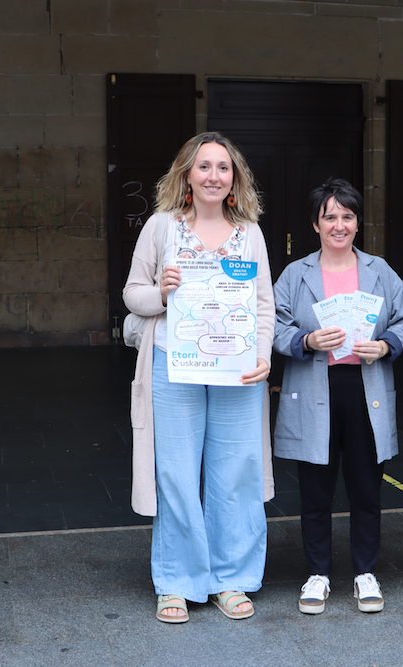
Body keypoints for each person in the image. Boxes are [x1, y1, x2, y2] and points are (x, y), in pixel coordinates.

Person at [122, 131, 273, 624]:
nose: (214, 175)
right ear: (187, 175)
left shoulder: (249, 232)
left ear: (235, 178)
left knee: (236, 473)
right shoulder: (161, 227)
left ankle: (231, 579)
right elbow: (132, 293)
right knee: (177, 474)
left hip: (238, 369)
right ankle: (177, 581)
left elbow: (264, 305)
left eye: (223, 167)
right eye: (204, 166)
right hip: (175, 364)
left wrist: (263, 356)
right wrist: (162, 294)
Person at [273, 178, 403, 615]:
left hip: (365, 388)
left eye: (347, 216)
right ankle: (317, 573)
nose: (339, 225)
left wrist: (386, 345)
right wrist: (306, 340)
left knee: (366, 487)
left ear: (357, 222)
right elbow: (272, 324)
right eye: (330, 216)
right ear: (315, 224)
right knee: (315, 490)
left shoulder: (379, 270)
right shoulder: (295, 274)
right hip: (313, 387)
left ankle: (364, 572)